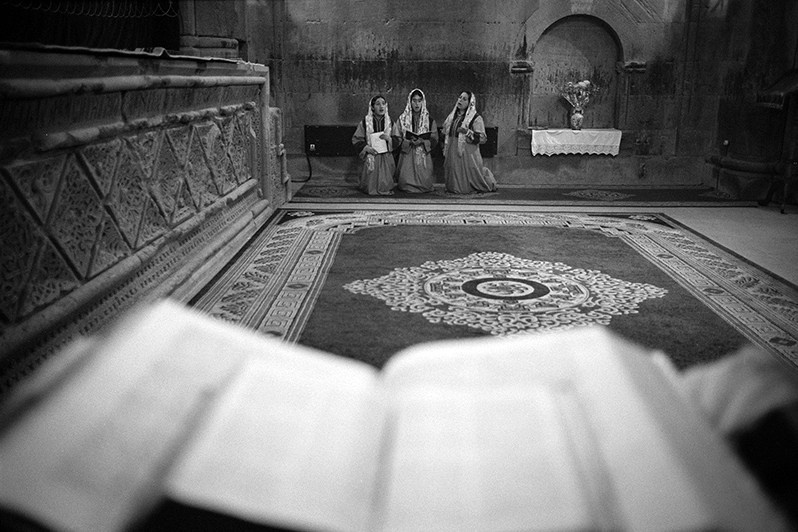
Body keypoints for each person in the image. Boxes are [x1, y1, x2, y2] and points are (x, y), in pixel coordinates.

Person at [441, 91, 497, 194]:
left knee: (469, 178)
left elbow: (482, 138)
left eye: (464, 99)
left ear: (470, 103)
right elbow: (445, 130)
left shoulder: (476, 118)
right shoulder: (452, 117)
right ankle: (453, 187)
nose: (460, 100)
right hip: (453, 150)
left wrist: (467, 132)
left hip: (467, 153)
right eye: (460, 97)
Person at [392, 88, 438, 193]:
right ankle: (407, 185)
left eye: (419, 100)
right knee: (405, 178)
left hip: (422, 151)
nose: (416, 104)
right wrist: (408, 141)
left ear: (423, 102)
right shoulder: (402, 119)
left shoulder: (429, 120)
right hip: (408, 151)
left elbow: (434, 138)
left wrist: (422, 141)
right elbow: (397, 136)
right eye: (414, 100)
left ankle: (423, 185)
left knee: (424, 179)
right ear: (410, 101)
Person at [352, 94, 396, 195]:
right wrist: (366, 147)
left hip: (385, 156)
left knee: (386, 181)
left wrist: (389, 139)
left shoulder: (390, 123)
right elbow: (356, 139)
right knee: (369, 182)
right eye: (377, 104)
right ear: (372, 107)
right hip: (371, 154)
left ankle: (384, 188)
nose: (381, 107)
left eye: (383, 104)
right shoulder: (365, 123)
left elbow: (398, 138)